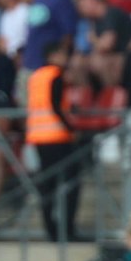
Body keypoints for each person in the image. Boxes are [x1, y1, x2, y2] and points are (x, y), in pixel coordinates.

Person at [25, 40, 80, 242]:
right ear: (52, 56)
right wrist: (72, 129)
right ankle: (67, 229)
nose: (65, 58)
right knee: (70, 183)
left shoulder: (36, 77)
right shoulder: (56, 75)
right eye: (62, 54)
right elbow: (55, 106)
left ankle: (50, 229)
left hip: (38, 138)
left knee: (47, 186)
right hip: (58, 137)